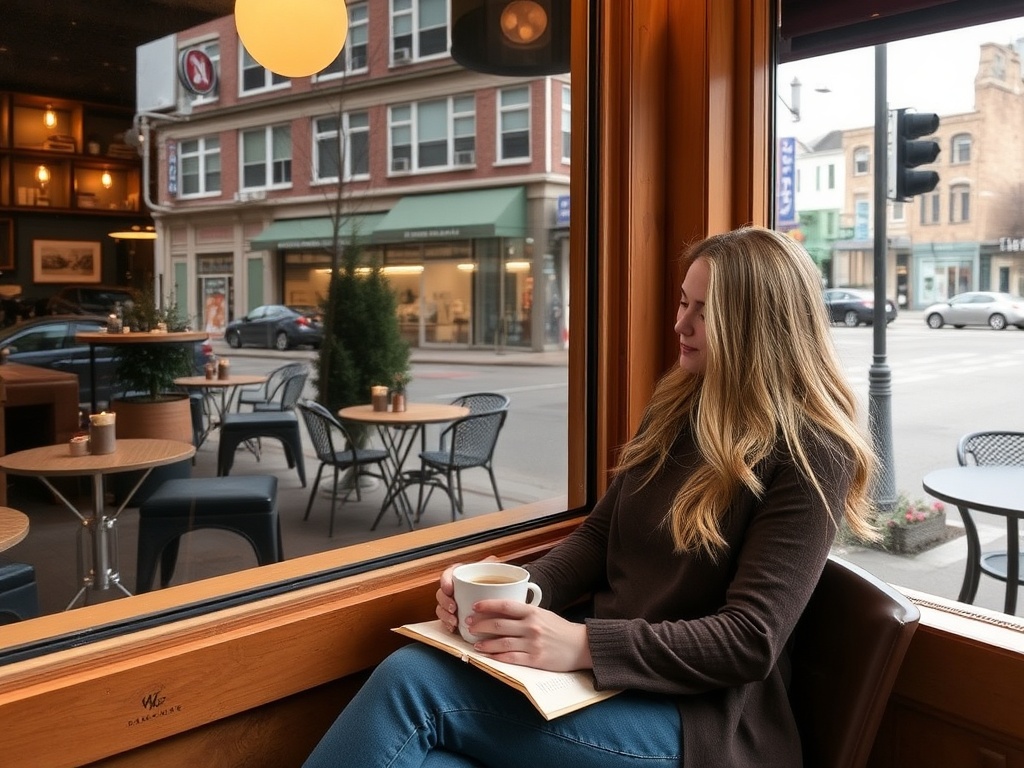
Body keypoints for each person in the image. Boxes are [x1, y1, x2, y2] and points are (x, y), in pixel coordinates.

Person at [303, 225, 877, 768]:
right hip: (601, 688)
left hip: (704, 724)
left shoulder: (813, 451)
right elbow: (602, 536)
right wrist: (521, 593)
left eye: (707, 313)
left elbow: (749, 640)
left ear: (760, 330)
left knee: (413, 683)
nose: (681, 325)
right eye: (684, 302)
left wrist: (581, 644)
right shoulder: (680, 406)